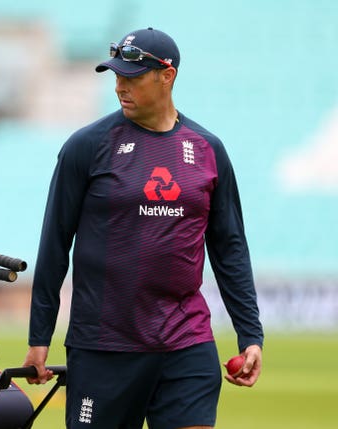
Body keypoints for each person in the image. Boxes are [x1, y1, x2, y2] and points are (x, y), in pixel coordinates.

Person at [23, 28, 264, 429]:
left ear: (166, 76)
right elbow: (54, 245)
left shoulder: (208, 149)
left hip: (186, 343)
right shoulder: (87, 146)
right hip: (103, 347)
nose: (120, 86)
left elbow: (230, 247)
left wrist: (250, 335)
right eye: (116, 76)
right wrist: (39, 337)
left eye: (131, 77)